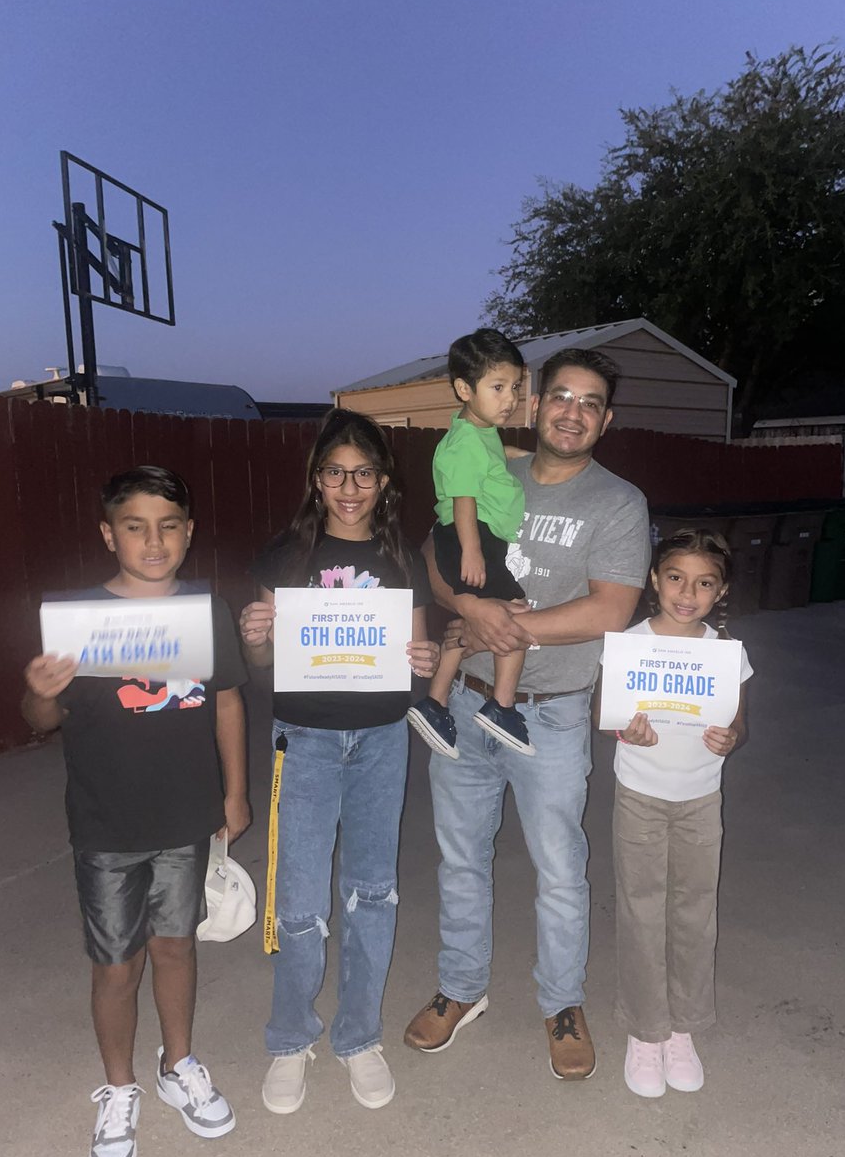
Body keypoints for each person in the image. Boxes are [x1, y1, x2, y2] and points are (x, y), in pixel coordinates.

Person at [404, 347, 651, 1080]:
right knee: (459, 859)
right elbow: (431, 552)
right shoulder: (489, 464)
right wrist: (469, 607)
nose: (572, 411)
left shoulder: (618, 502)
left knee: (559, 868)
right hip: (466, 703)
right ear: (536, 404)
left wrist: (504, 629)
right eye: (561, 396)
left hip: (550, 712)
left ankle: (562, 1004)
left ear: (605, 420)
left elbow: (611, 607)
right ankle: (461, 988)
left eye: (589, 402)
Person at [21, 466, 248, 1157]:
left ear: (189, 532)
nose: (154, 541)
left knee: (177, 947)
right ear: (107, 533)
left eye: (169, 525)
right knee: (117, 964)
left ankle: (176, 1064)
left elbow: (228, 704)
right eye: (135, 526)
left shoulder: (207, 613)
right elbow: (42, 722)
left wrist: (235, 794)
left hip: (185, 814)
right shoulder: (78, 620)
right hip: (106, 822)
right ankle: (119, 1086)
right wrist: (39, 693)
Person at [238, 409, 439, 1115]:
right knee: (295, 900)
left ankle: (358, 1037)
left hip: (382, 739)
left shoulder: (403, 558)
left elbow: (416, 667)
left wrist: (426, 660)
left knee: (372, 892)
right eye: (335, 472)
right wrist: (256, 635)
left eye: (363, 473)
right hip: (306, 738)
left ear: (384, 481)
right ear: (315, 479)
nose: (348, 486)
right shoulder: (283, 557)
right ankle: (291, 1037)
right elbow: (264, 667)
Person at [600, 528, 751, 1098]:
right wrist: (625, 728)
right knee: (642, 910)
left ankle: (682, 1029)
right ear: (654, 580)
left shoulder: (724, 653)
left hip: (700, 799)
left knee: (693, 910)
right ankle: (645, 1032)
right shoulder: (630, 644)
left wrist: (729, 738)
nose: (687, 593)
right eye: (676, 578)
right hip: (639, 794)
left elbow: (741, 721)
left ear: (720, 592)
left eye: (704, 583)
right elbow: (605, 709)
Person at [408, 328, 533, 758]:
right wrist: (473, 552)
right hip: (471, 536)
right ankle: (502, 706)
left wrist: (521, 457)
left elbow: (492, 459)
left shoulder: (478, 431)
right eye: (497, 387)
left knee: (474, 624)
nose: (510, 398)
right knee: (514, 618)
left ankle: (434, 701)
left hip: (476, 538)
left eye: (515, 387)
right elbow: (464, 501)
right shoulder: (464, 442)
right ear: (464, 388)